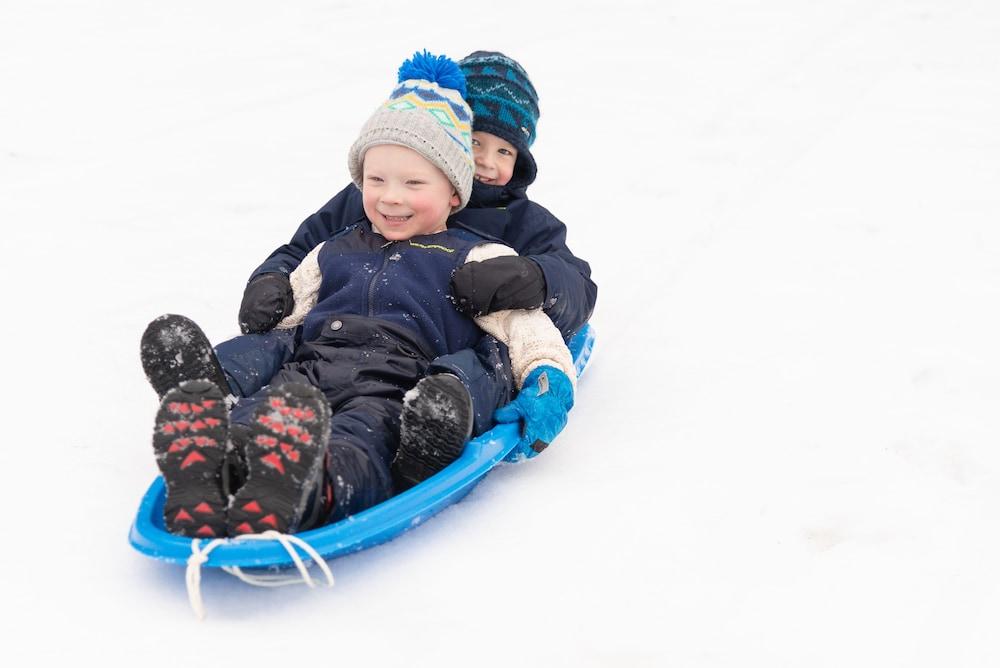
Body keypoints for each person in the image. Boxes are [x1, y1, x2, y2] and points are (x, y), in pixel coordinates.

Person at [146, 52, 576, 539]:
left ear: (453, 192)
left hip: (397, 384)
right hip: (309, 368)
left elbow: (532, 329)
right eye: (376, 182)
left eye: (414, 183)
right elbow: (292, 296)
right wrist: (270, 288)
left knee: (363, 440)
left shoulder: (484, 252)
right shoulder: (340, 240)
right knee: (265, 404)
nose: (391, 196)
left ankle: (303, 491)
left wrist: (545, 371)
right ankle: (210, 457)